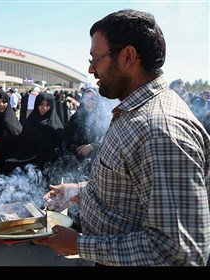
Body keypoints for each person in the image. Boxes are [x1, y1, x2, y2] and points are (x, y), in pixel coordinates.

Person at [34, 9, 210, 266]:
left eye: (97, 58)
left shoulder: (159, 130)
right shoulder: (135, 112)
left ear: (128, 56)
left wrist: (78, 244)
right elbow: (130, 188)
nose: (91, 68)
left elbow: (178, 253)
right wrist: (79, 192)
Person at [4, 92, 65, 174]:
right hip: (29, 162)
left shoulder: (55, 125)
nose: (44, 108)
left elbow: (60, 148)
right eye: (41, 104)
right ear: (37, 104)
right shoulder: (30, 121)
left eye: (47, 105)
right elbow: (23, 142)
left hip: (49, 166)